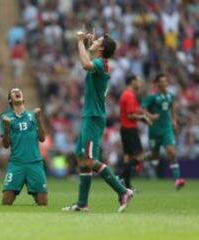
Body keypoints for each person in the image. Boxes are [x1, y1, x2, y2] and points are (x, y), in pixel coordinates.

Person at [62, 30, 133, 213]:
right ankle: (82, 203)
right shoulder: (102, 62)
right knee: (82, 159)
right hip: (90, 115)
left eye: (98, 41)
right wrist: (91, 45)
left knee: (90, 159)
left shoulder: (100, 64)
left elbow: (85, 63)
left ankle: (123, 190)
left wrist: (80, 41)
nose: (94, 41)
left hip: (93, 117)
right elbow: (89, 59)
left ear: (101, 49)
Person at [0, 88, 47, 206]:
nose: (17, 92)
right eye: (13, 91)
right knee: (6, 201)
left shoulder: (33, 116)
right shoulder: (6, 118)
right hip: (16, 163)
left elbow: (42, 138)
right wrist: (6, 128)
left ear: (23, 98)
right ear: (10, 100)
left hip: (35, 163)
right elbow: (5, 145)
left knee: (42, 202)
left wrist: (39, 119)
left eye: (19, 91)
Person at [141, 73, 185, 190]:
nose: (164, 83)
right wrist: (150, 115)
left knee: (171, 152)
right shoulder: (152, 97)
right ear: (157, 84)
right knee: (155, 155)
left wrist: (174, 121)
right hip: (154, 130)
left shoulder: (170, 96)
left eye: (166, 81)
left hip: (166, 129)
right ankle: (139, 160)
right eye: (162, 81)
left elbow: (172, 109)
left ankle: (177, 180)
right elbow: (142, 108)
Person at [118, 75, 155, 190]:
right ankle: (120, 176)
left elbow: (133, 113)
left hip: (126, 129)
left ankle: (127, 186)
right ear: (132, 82)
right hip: (129, 129)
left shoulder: (127, 94)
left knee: (128, 158)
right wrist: (143, 117)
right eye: (138, 81)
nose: (140, 84)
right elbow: (130, 115)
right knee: (139, 157)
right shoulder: (129, 96)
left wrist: (143, 116)